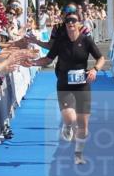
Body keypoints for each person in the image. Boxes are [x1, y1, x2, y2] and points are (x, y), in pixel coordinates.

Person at [33, 12, 106, 166]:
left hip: (82, 86)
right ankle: (67, 125)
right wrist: (32, 63)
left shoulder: (86, 40)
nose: (70, 24)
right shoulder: (61, 42)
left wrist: (95, 70)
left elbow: (101, 58)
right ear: (65, 24)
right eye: (67, 21)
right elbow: (48, 59)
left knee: (83, 126)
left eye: (73, 21)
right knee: (71, 119)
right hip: (64, 84)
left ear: (79, 23)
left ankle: (78, 154)